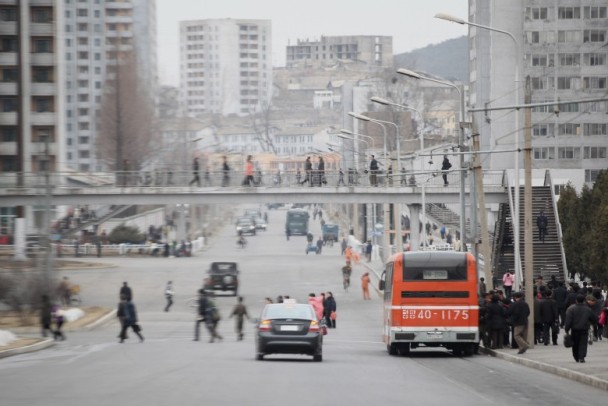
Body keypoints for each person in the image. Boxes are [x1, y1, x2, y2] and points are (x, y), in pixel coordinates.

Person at [565, 294, 597, 363]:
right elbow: (594, 319)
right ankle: (582, 357)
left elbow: (568, 320)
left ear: (576, 300)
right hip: (584, 328)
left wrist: (567, 329)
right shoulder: (588, 309)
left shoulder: (571, 309)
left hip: (574, 329)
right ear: (584, 300)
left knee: (575, 343)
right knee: (583, 343)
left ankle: (576, 356)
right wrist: (592, 323)